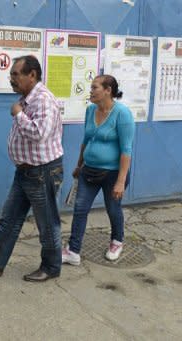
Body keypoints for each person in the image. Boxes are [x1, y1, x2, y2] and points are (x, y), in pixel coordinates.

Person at [0, 55, 64, 282]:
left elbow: (39, 134)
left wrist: (18, 114)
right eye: (11, 74)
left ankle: (51, 267)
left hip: (43, 172)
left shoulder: (44, 100)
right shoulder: (27, 98)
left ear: (32, 75)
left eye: (16, 74)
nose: (11, 79)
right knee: (9, 218)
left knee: (47, 224)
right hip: (26, 172)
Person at [62, 75, 134, 265]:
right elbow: (86, 140)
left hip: (113, 174)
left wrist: (120, 181)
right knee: (80, 209)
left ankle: (117, 241)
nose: (91, 91)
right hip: (89, 171)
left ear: (108, 90)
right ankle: (73, 251)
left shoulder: (122, 113)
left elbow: (126, 150)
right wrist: (79, 165)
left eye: (95, 87)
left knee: (113, 209)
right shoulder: (90, 110)